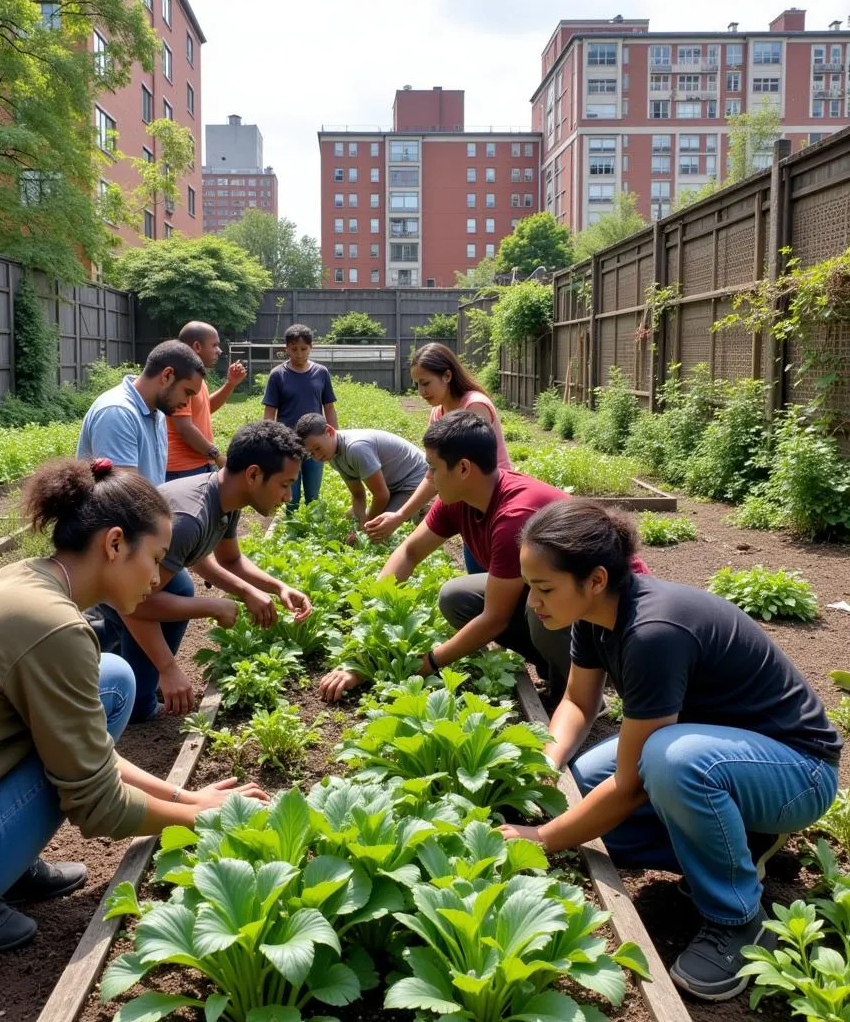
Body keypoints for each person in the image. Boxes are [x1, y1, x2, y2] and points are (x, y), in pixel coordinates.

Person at [0, 459, 267, 954]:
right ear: (115, 543)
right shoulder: (54, 627)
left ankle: (0, 865)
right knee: (92, 717)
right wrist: (202, 818)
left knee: (111, 680)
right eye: (158, 557)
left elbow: (84, 749)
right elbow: (97, 803)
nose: (160, 578)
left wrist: (186, 796)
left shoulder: (29, 579)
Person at [498, 499, 841, 1002]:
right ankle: (740, 843)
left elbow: (634, 781)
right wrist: (546, 764)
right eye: (531, 586)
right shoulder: (594, 615)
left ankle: (738, 919)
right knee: (585, 782)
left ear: (594, 579)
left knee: (664, 763)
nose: (532, 602)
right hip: (722, 751)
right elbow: (576, 700)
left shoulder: (652, 633)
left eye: (544, 588)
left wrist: (545, 836)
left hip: (798, 771)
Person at [319, 410, 571, 703]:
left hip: (602, 608)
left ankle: (574, 686)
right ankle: (551, 664)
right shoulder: (460, 498)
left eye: (433, 468)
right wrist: (374, 626)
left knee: (539, 606)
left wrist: (427, 663)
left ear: (463, 468)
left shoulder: (514, 517)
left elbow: (495, 619)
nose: (428, 478)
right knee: (456, 597)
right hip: (547, 593)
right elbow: (410, 552)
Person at [100, 420, 314, 721]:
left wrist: (273, 588)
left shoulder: (228, 496)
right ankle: (126, 671)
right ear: (253, 474)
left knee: (181, 590)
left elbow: (228, 560)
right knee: (134, 708)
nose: (289, 497)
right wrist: (169, 668)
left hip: (131, 588)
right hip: (107, 586)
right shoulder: (190, 518)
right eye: (285, 484)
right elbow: (135, 605)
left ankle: (106, 641)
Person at [365, 343, 511, 573]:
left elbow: (466, 471)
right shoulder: (438, 412)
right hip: (465, 501)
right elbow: (434, 472)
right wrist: (401, 514)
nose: (421, 392)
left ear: (447, 375)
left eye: (425, 383)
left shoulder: (474, 405)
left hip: (493, 500)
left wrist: (403, 515)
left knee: (497, 571)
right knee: (476, 570)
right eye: (417, 385)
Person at [77, 340, 206, 486]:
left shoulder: (159, 413)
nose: (187, 403)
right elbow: (124, 498)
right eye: (187, 392)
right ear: (167, 375)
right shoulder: (118, 413)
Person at [294, 414, 428, 543]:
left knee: (379, 531)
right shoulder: (332, 455)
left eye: (317, 448)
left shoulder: (356, 448)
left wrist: (364, 529)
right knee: (351, 516)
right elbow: (358, 495)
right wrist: (360, 524)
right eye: (311, 453)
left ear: (329, 431)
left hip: (417, 478)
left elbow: (381, 495)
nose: (317, 457)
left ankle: (424, 511)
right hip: (394, 486)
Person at [262, 323, 337, 511]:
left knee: (313, 495)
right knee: (290, 496)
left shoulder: (321, 373)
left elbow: (329, 406)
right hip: (287, 444)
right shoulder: (278, 375)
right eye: (294, 349)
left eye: (304, 349)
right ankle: (292, 528)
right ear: (286, 349)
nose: (299, 354)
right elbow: (270, 412)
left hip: (316, 442)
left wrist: (335, 435)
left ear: (312, 348)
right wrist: (270, 441)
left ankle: (313, 528)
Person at [165, 321, 248, 482]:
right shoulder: (181, 378)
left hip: (198, 463)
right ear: (197, 346)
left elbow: (205, 408)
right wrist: (216, 455)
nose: (219, 350)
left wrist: (230, 384)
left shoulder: (195, 375)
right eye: (214, 345)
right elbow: (184, 428)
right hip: (182, 469)